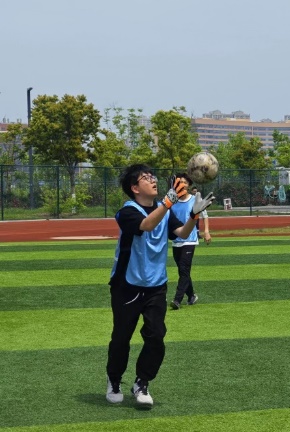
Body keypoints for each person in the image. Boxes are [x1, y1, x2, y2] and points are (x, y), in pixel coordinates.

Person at [106, 164, 214, 409]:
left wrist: (194, 216)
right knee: (121, 338)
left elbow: (181, 233)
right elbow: (146, 225)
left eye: (152, 176)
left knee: (156, 337)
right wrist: (168, 202)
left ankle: (142, 383)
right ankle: (114, 379)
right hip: (127, 285)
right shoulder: (127, 211)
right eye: (146, 178)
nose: (152, 180)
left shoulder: (165, 209)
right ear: (135, 188)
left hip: (156, 286)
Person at [169, 173, 212, 310]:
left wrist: (206, 231)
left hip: (190, 240)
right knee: (183, 271)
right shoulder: (173, 201)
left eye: (185, 182)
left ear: (189, 185)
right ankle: (192, 296)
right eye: (179, 182)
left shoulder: (195, 200)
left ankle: (177, 300)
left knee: (184, 269)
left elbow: (204, 215)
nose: (182, 185)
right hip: (176, 240)